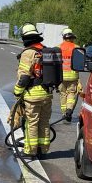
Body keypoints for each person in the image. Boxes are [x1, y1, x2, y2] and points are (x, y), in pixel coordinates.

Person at [13, 22, 53, 158]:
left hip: (33, 95)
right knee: (44, 122)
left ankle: (30, 151)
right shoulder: (45, 50)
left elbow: (24, 77)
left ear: (25, 38)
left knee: (32, 123)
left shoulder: (28, 53)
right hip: (47, 94)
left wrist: (17, 92)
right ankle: (43, 150)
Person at [57, 27, 82, 122]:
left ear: (63, 37)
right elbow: (80, 63)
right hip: (73, 76)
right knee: (71, 93)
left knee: (63, 94)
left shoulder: (58, 48)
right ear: (72, 37)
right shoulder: (77, 48)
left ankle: (64, 113)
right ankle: (69, 109)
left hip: (60, 76)